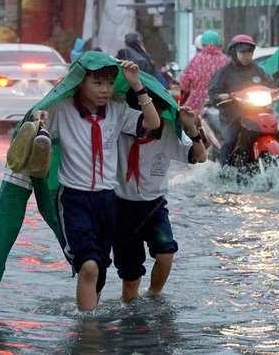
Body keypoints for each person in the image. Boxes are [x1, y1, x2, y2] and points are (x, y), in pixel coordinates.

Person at [26, 52, 161, 311]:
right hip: (75, 199)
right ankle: (88, 334)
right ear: (80, 82)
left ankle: (90, 326)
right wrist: (38, 119)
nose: (105, 90)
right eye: (97, 83)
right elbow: (36, 128)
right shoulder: (60, 109)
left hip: (108, 199)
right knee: (88, 265)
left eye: (110, 83)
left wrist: (136, 85)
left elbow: (152, 123)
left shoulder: (118, 110)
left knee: (99, 268)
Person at [114, 93, 208, 302]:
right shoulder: (120, 126)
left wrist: (191, 128)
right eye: (146, 108)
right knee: (130, 275)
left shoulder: (167, 129)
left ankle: (154, 296)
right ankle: (130, 312)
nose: (152, 114)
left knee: (166, 253)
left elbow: (200, 157)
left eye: (157, 108)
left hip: (154, 206)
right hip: (122, 207)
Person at [207, 34, 279, 167]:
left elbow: (269, 83)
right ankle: (223, 170)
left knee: (277, 127)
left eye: (249, 52)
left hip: (255, 113)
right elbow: (213, 91)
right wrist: (221, 96)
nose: (247, 55)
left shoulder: (256, 69)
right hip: (232, 114)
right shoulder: (224, 72)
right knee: (230, 140)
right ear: (234, 53)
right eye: (243, 52)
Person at [179, 30, 228, 119]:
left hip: (196, 106)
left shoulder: (196, 59)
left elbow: (183, 84)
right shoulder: (225, 60)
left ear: (202, 43)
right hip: (219, 105)